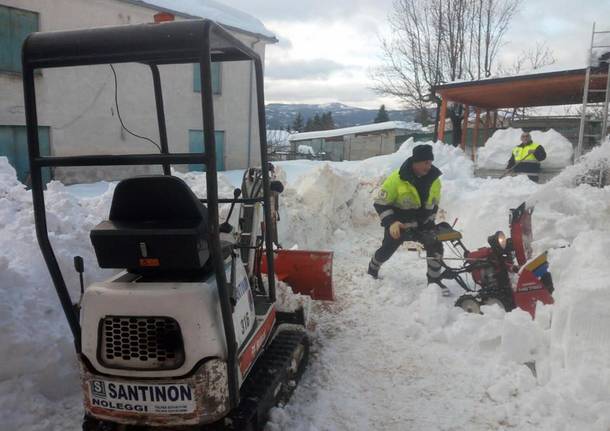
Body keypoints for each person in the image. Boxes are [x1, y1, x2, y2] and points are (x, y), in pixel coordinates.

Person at [367, 144, 449, 296]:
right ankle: (373, 267)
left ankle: (434, 282)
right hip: (400, 225)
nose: (429, 166)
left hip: (423, 225)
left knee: (435, 244)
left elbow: (434, 205)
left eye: (430, 163)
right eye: (426, 163)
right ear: (415, 162)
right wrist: (391, 222)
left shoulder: (435, 180)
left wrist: (430, 225)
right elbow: (380, 203)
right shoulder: (397, 179)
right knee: (387, 249)